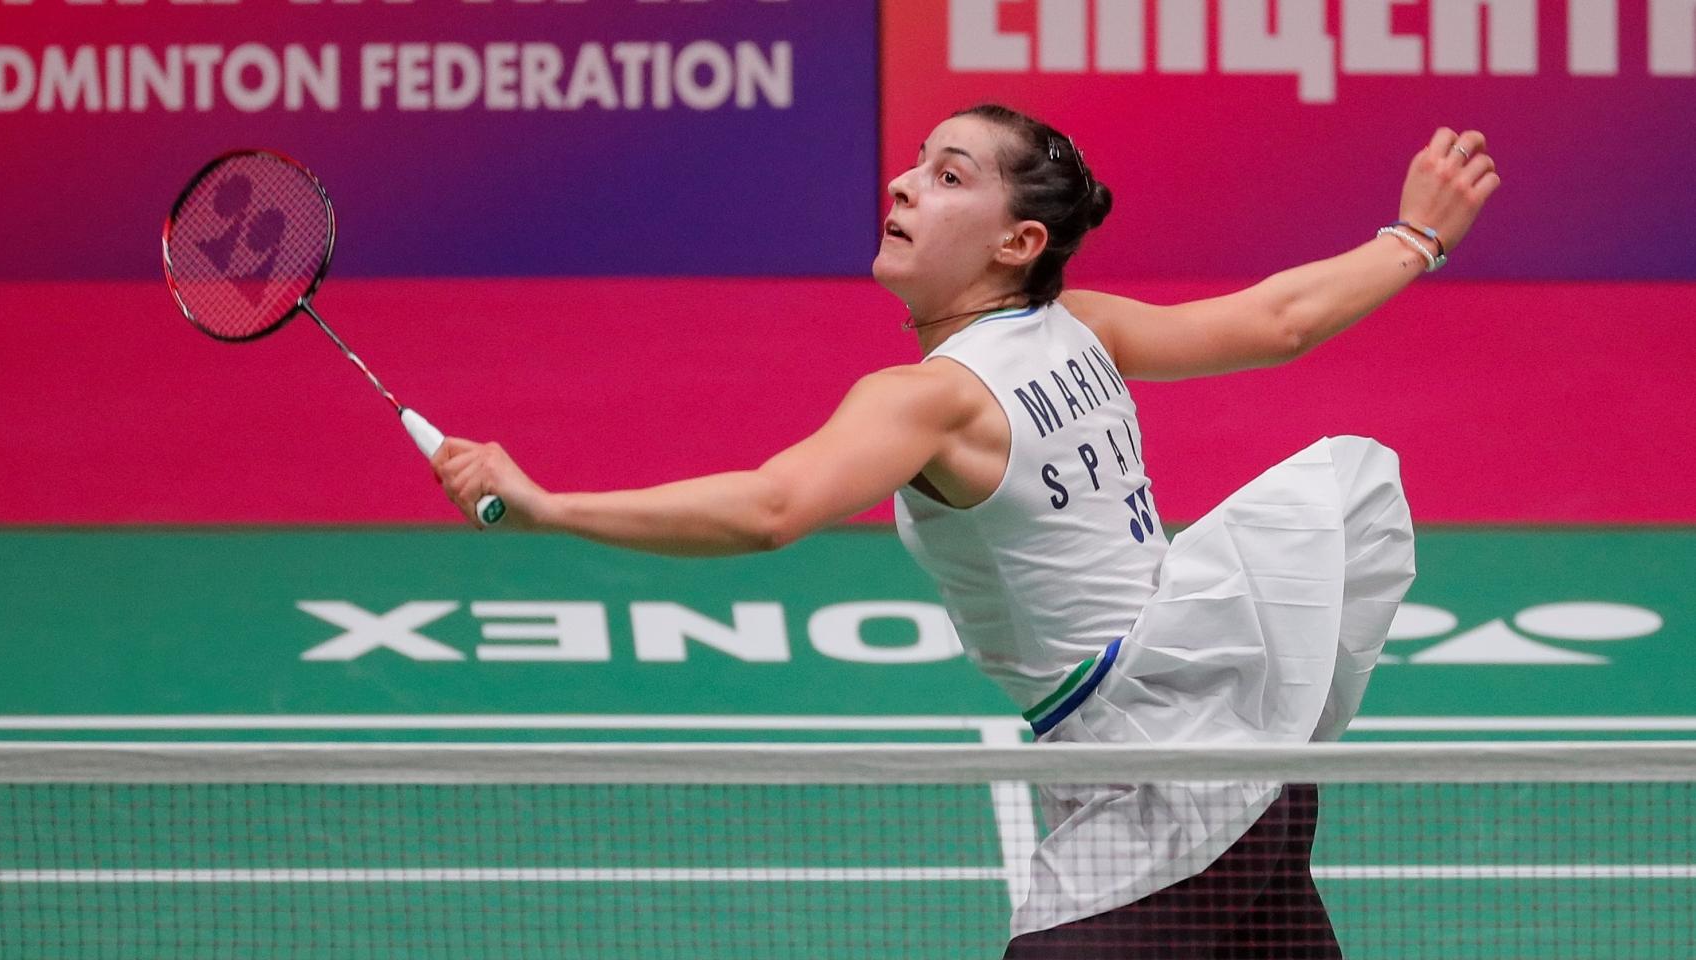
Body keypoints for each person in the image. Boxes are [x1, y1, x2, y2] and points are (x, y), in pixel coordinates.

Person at [432, 103, 1498, 957]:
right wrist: (1410, 239)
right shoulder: (1078, 327)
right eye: (913, 164)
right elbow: (1277, 323)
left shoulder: (925, 397)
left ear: (1016, 241)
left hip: (1162, 780)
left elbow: (768, 511)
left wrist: (548, 505)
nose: (901, 183)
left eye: (948, 176)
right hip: (1242, 745)